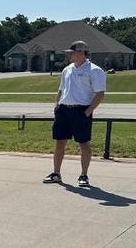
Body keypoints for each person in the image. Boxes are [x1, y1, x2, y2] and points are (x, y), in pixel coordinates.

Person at [43, 41, 106, 187]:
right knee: (59, 141)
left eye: (71, 52)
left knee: (83, 143)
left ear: (82, 53)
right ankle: (56, 173)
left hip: (81, 110)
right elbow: (61, 89)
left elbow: (100, 94)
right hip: (64, 110)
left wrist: (87, 112)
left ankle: (84, 175)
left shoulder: (94, 70)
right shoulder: (67, 69)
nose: (68, 55)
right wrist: (57, 105)